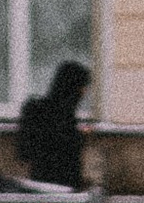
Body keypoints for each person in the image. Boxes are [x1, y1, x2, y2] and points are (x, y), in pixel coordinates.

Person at [14, 56, 91, 187]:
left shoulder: (36, 110)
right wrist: (80, 136)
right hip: (63, 187)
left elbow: (25, 152)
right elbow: (65, 147)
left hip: (41, 183)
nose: (84, 93)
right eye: (83, 87)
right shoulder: (64, 115)